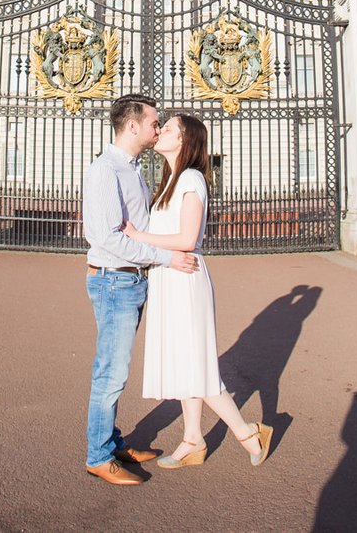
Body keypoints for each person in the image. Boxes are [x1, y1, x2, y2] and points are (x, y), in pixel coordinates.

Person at [123, 112, 273, 469]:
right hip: (168, 276)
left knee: (196, 364)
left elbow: (187, 239)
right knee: (183, 361)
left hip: (186, 278)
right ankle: (192, 439)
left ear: (185, 141)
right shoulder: (170, 180)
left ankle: (248, 432)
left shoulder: (191, 178)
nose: (159, 131)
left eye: (168, 128)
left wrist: (137, 236)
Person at [82, 93, 200, 486]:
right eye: (153, 121)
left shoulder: (132, 169)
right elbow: (108, 238)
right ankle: (98, 456)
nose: (157, 126)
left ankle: (112, 441)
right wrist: (166, 259)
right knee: (110, 373)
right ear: (132, 125)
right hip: (114, 277)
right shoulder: (106, 170)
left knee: (117, 369)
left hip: (130, 278)